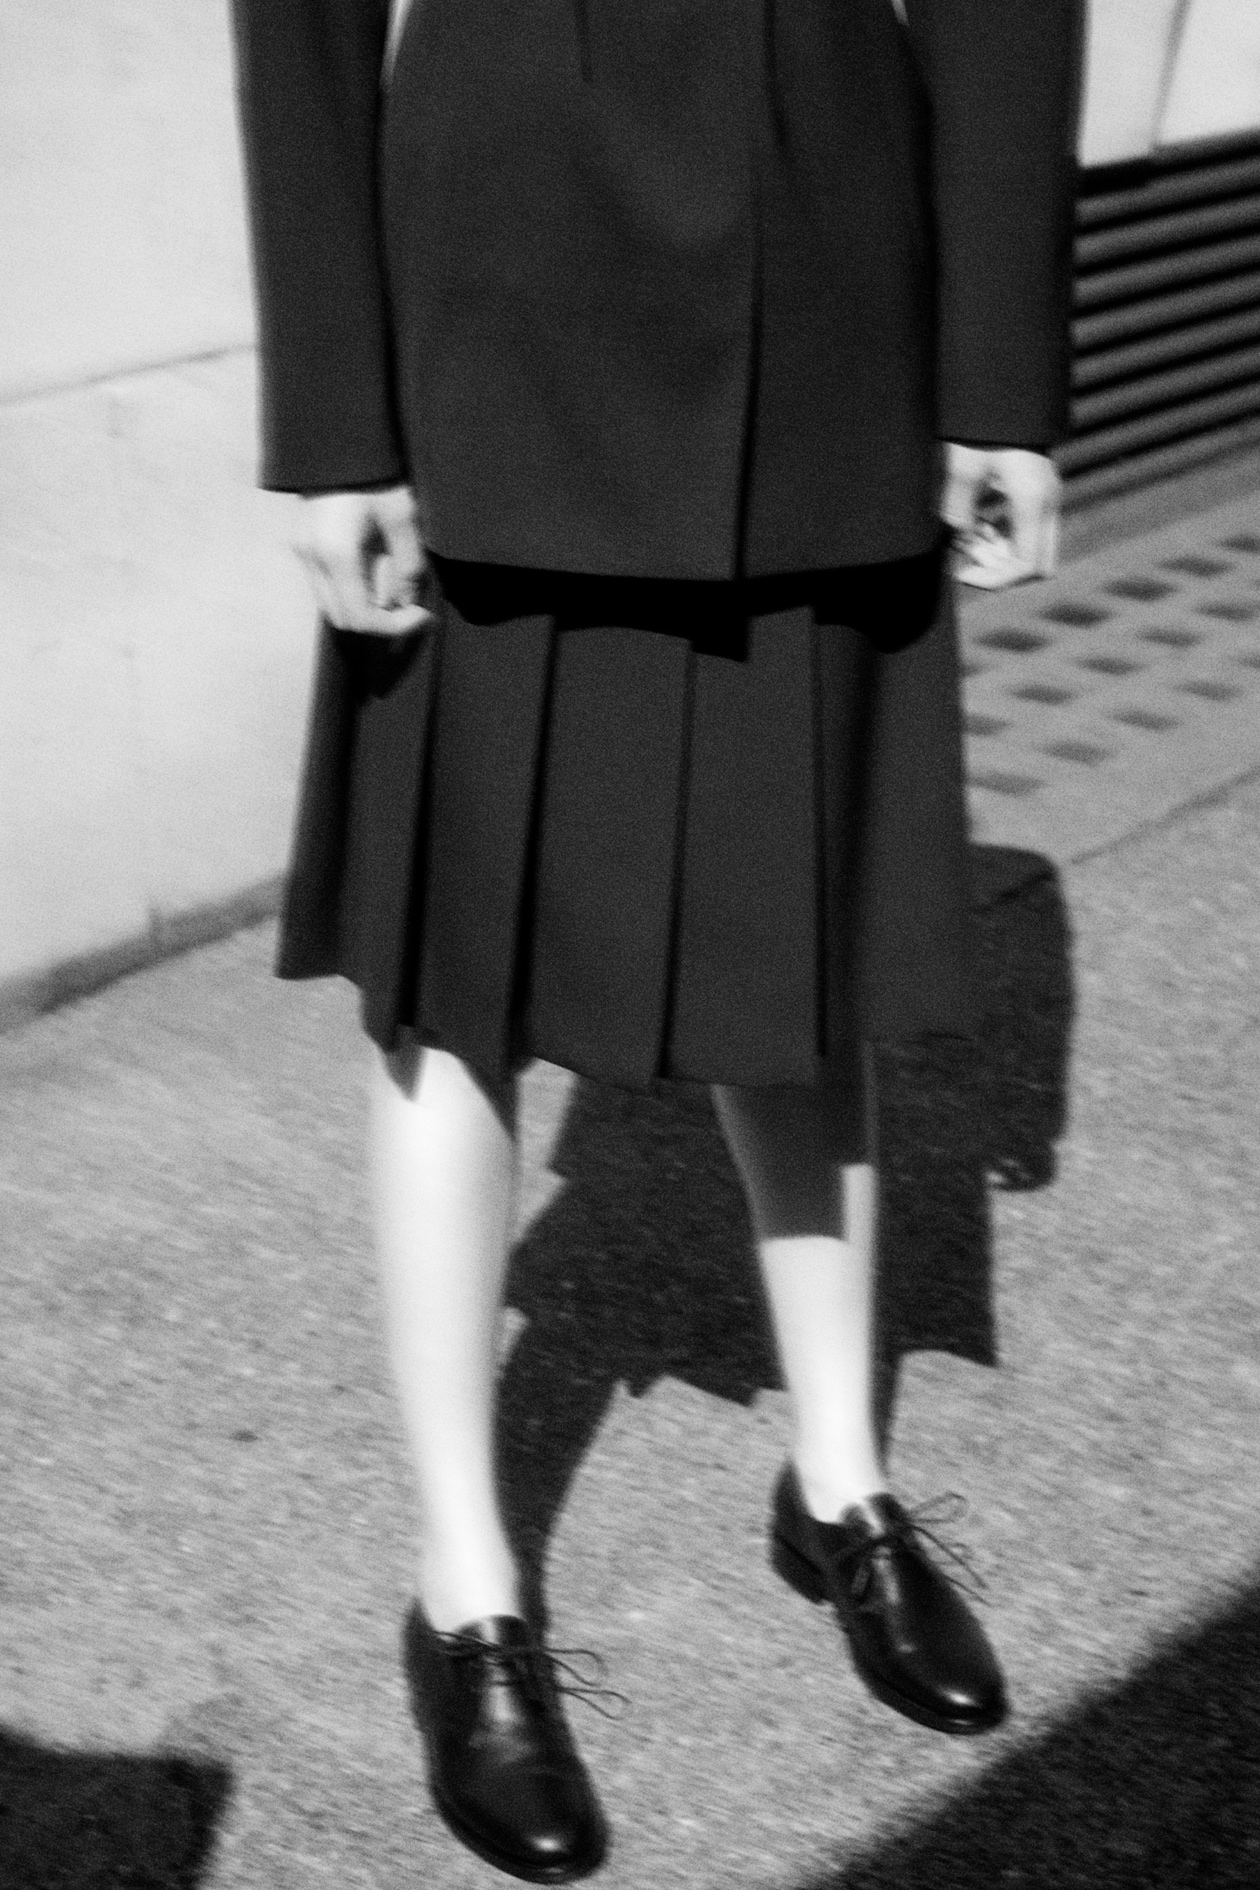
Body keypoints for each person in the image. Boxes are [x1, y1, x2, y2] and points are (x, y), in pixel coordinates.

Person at [230, 0, 1079, 1878]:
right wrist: (333, 415)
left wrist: (1003, 369)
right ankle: (465, 1588)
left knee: (807, 932)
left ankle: (840, 1481)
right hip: (497, 275)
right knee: (458, 976)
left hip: (839, 258)